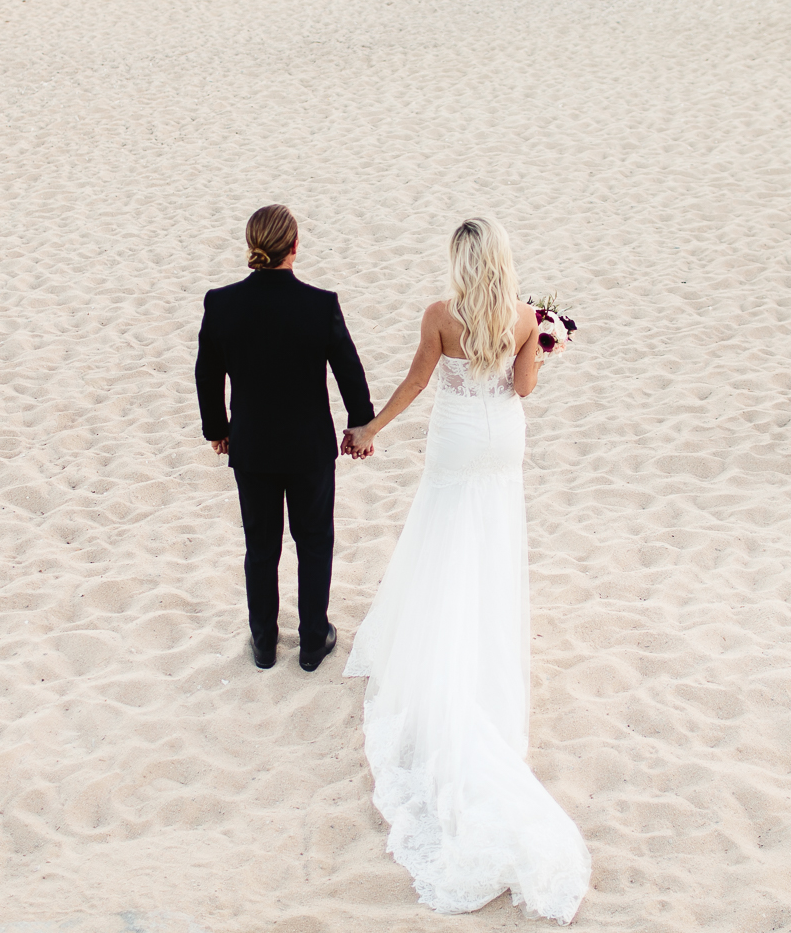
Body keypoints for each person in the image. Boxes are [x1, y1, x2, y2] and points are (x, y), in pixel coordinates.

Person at [341, 217, 591, 924]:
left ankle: (438, 641)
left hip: (455, 441)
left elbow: (418, 382)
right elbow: (525, 388)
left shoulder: (439, 317)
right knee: (490, 537)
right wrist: (544, 341)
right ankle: (479, 629)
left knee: (441, 531)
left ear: (459, 261)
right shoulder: (520, 317)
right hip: (500, 442)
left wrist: (369, 429)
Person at [194, 204, 374, 672]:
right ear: (295, 246)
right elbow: (349, 369)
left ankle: (264, 641)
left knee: (261, 545)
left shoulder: (221, 303)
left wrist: (217, 430)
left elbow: (207, 376)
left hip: (251, 446)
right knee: (314, 541)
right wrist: (361, 424)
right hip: (309, 447)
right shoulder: (320, 304)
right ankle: (314, 641)